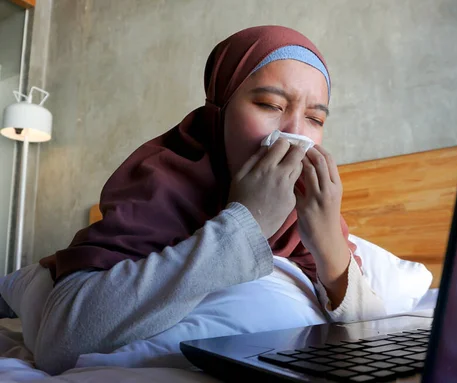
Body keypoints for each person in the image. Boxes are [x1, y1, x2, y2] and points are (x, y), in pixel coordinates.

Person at [33, 25, 385, 375]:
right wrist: (246, 223)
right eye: (270, 104)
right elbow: (58, 342)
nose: (294, 134)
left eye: (314, 118)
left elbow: (379, 339)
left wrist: (330, 248)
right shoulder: (158, 181)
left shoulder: (309, 208)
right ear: (219, 107)